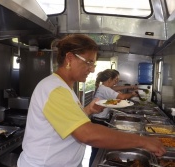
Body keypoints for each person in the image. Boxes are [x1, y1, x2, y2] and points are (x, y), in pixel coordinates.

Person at [17, 34, 165, 167]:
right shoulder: (55, 89)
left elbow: (65, 122)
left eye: (93, 63)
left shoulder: (63, 87)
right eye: (89, 62)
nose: (93, 69)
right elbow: (87, 134)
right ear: (69, 58)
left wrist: (88, 110)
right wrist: (143, 141)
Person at [89, 69, 139, 166]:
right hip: (99, 122)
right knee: (97, 151)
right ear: (109, 80)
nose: (116, 83)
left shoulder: (104, 87)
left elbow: (116, 89)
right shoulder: (105, 89)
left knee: (97, 149)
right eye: (115, 80)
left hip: (98, 120)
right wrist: (132, 94)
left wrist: (131, 86)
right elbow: (122, 97)